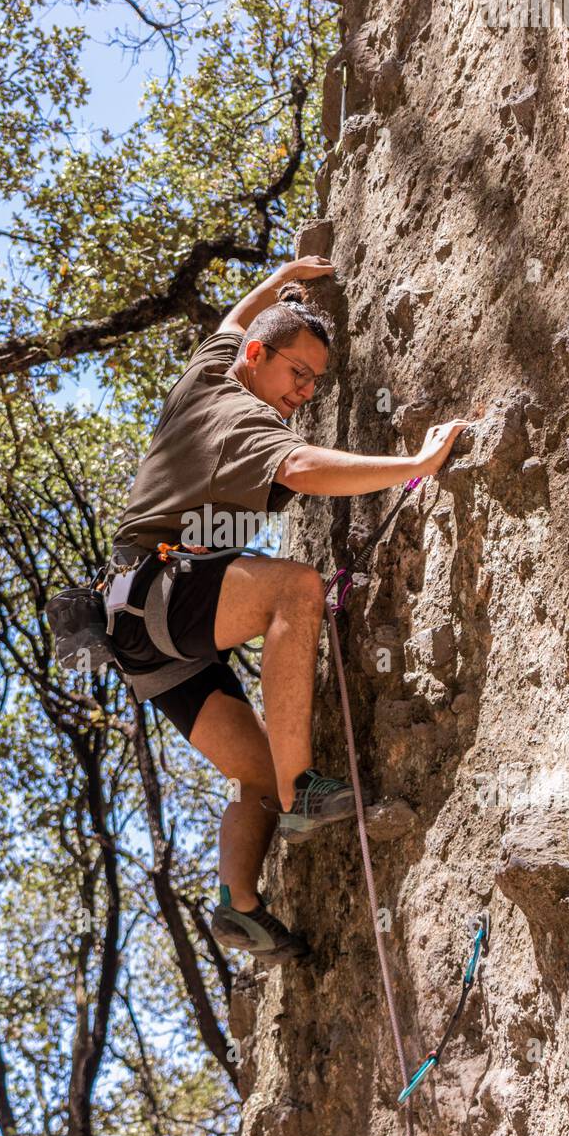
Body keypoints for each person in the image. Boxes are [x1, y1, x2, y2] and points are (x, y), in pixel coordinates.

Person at [106, 255, 469, 962]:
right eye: (295, 373)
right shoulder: (243, 416)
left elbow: (232, 320)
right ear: (257, 360)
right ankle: (304, 790)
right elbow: (302, 468)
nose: (303, 392)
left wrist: (279, 281)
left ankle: (239, 909)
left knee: (254, 773)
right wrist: (414, 468)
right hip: (158, 597)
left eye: (314, 382)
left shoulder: (213, 369)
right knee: (294, 589)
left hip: (141, 632)